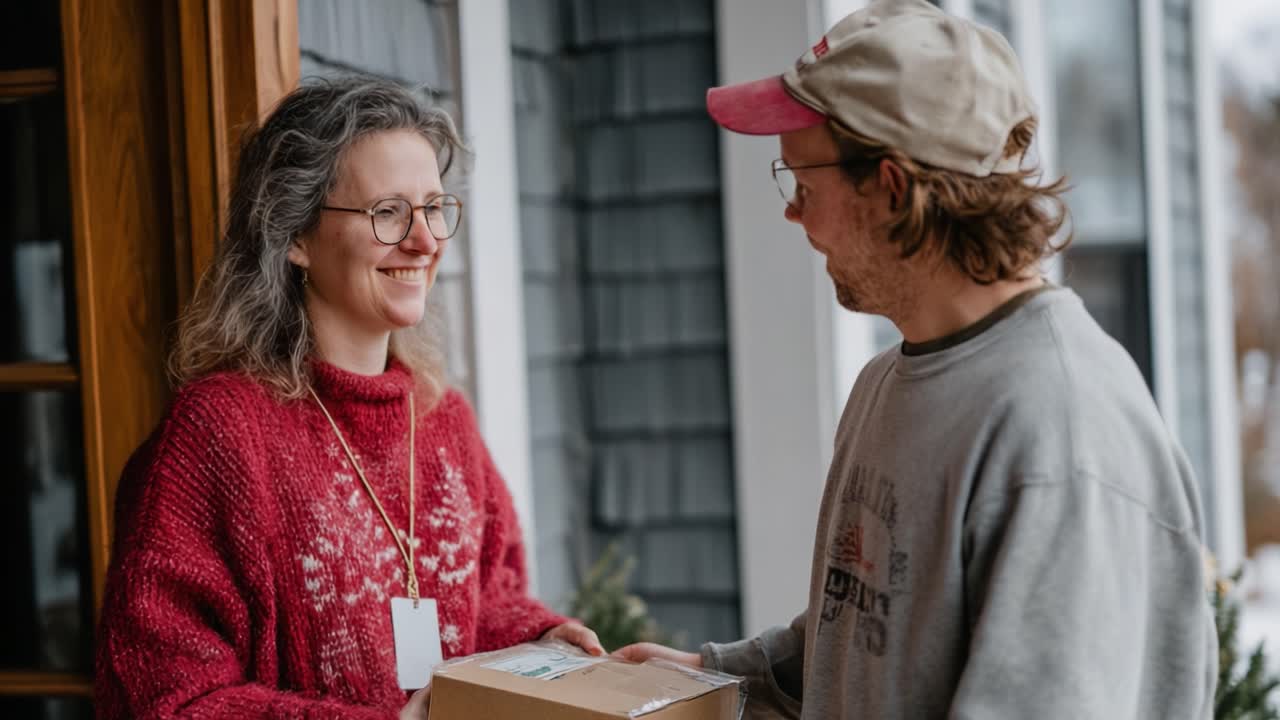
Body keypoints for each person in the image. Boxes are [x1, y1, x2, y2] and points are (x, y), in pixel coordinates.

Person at [616, 0, 1217, 717]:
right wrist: (719, 678)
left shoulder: (1059, 436)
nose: (792, 213)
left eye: (803, 184)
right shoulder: (890, 381)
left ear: (892, 188)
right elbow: (874, 630)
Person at [95, 76, 602, 720]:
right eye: (387, 213)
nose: (425, 242)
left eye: (434, 207)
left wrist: (541, 640)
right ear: (297, 237)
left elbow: (488, 600)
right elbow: (165, 698)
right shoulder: (218, 434)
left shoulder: (443, 418)